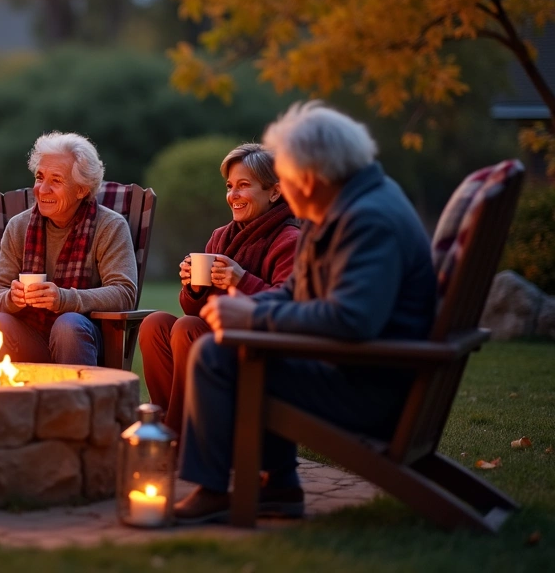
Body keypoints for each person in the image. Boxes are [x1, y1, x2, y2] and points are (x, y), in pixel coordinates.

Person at [173, 101, 437, 524]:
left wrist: (252, 319)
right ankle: (279, 486)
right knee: (234, 346)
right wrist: (244, 309)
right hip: (356, 370)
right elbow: (296, 293)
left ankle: (214, 490)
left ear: (312, 175)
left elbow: (353, 319)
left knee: (217, 355)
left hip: (371, 390)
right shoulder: (343, 208)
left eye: (288, 178)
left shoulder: (368, 220)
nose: (286, 189)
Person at [139, 144, 300, 432]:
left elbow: (289, 309)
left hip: (259, 351)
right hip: (214, 339)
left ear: (274, 192)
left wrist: (242, 280)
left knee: (188, 328)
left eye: (243, 186)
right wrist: (193, 288)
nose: (233, 195)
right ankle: (171, 427)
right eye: (229, 186)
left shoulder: (289, 239)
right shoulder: (221, 237)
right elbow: (194, 309)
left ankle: (179, 439)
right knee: (154, 324)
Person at [0, 132, 137, 366]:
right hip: (30, 335)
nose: (42, 189)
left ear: (81, 190)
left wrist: (66, 299)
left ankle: (75, 402)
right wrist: (12, 298)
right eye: (39, 177)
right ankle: (6, 402)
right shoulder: (19, 226)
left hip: (82, 337)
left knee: (67, 326)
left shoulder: (109, 226)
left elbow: (124, 293)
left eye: (56, 180)